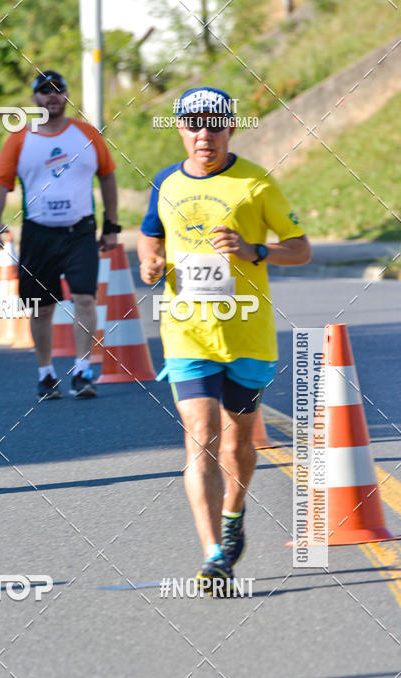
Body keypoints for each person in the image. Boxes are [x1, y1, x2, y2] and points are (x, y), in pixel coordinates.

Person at [138, 87, 311, 589]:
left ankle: (234, 513)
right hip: (186, 331)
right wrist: (149, 261)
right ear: (180, 130)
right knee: (202, 435)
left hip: (248, 334)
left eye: (213, 124)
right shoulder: (166, 183)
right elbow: (151, 232)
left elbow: (300, 250)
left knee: (238, 444)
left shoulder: (256, 184)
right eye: (193, 124)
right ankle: (214, 554)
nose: (203, 134)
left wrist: (254, 249)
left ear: (230, 128)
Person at [0, 69, 120, 399]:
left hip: (80, 231)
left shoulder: (87, 134)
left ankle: (82, 371)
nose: (52, 97)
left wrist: (112, 225)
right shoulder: (20, 138)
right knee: (41, 306)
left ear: (66, 96)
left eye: (58, 90)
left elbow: (107, 176)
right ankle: (46, 374)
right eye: (44, 91)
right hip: (38, 233)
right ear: (34, 98)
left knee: (85, 298)